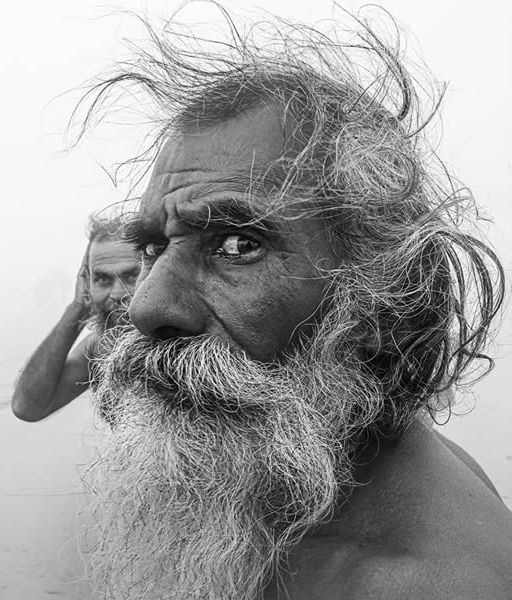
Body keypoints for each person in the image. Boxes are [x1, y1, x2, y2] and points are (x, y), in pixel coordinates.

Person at [66, 8, 512, 600]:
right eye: (153, 247)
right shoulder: (295, 478)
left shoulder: (414, 582)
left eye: (237, 245)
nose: (145, 306)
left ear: (380, 304)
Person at [12, 214, 140, 423]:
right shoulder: (101, 347)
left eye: (132, 276)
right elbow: (27, 407)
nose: (117, 294)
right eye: (102, 279)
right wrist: (78, 307)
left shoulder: (191, 338)